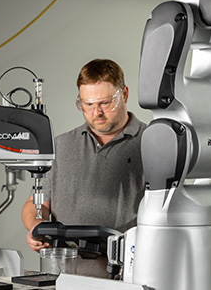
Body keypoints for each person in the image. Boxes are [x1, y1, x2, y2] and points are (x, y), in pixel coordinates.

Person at [22, 58, 146, 277]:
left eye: (105, 103)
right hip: (67, 277)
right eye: (88, 104)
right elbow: (36, 204)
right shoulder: (62, 145)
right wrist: (36, 227)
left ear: (124, 94)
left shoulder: (152, 143)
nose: (96, 112)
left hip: (129, 277)